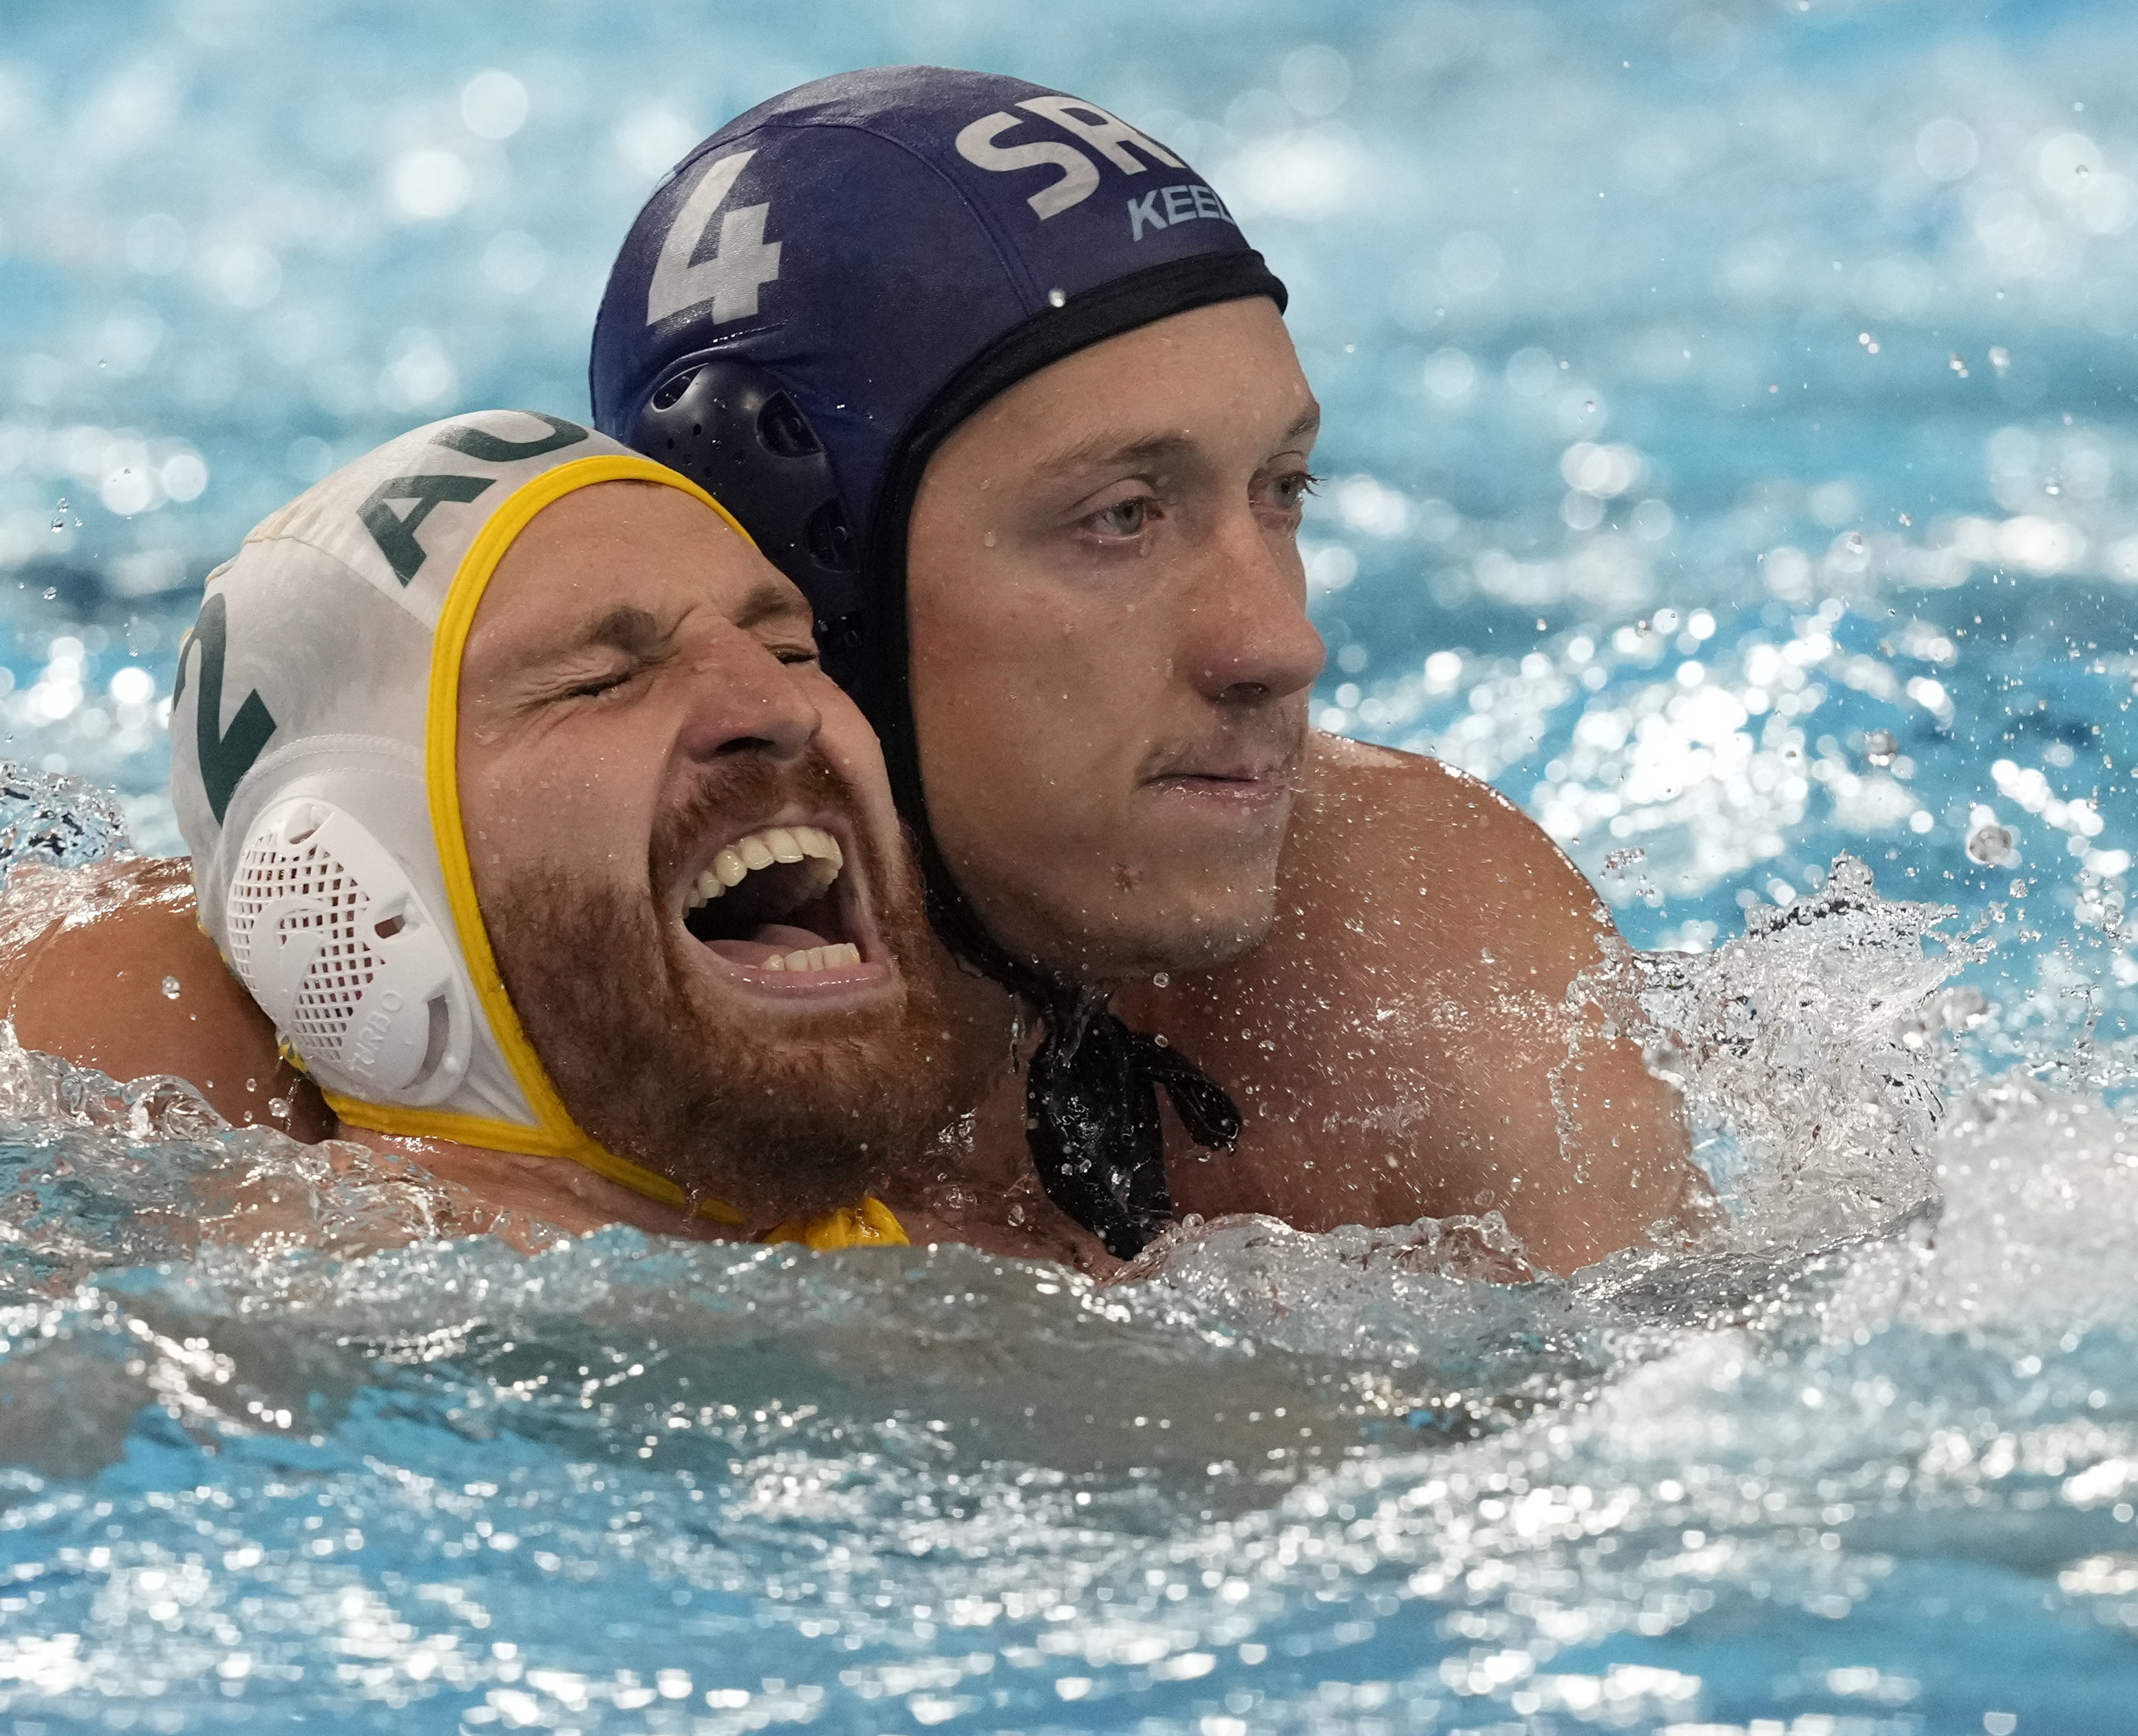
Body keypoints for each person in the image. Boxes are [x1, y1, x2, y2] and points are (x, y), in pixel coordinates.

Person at [588, 67, 1698, 1267]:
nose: (1278, 647)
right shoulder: (495, 1080)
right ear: (805, 596)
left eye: (1284, 491)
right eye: (1120, 517)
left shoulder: (1408, 949)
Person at [0, 411, 1109, 1264]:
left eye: (792, 649)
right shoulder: (267, 1322)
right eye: (602, 680)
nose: (778, 707)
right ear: (350, 882)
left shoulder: (1021, 1243)